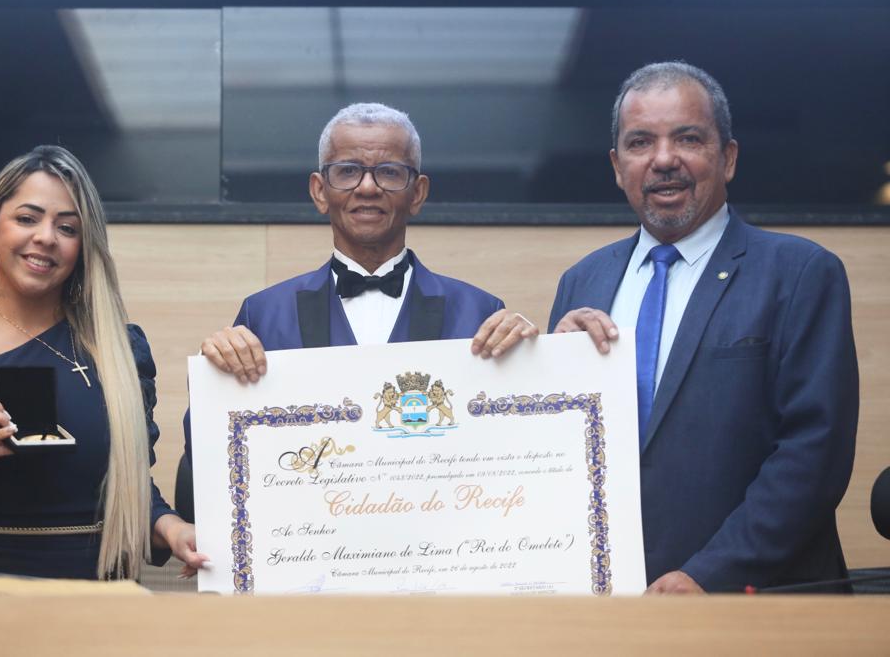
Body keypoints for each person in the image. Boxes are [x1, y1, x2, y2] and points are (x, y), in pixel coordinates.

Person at [549, 62, 858, 593]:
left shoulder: (801, 272)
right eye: (640, 142)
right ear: (617, 166)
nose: (664, 159)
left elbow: (815, 453)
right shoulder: (582, 282)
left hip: (758, 604)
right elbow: (564, 456)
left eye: (688, 138)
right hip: (615, 604)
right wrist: (544, 370)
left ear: (728, 157)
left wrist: (709, 575)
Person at [0, 145, 207, 581]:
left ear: (82, 247)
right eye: (27, 219)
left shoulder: (120, 350)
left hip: (90, 598)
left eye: (67, 227)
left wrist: (173, 528)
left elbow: (129, 487)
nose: (46, 237)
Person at [184, 102, 537, 468]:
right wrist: (212, 377)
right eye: (348, 171)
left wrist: (534, 360)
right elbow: (210, 458)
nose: (367, 187)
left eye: (390, 172)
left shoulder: (481, 314)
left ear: (417, 193)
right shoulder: (263, 315)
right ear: (320, 191)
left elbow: (515, 449)